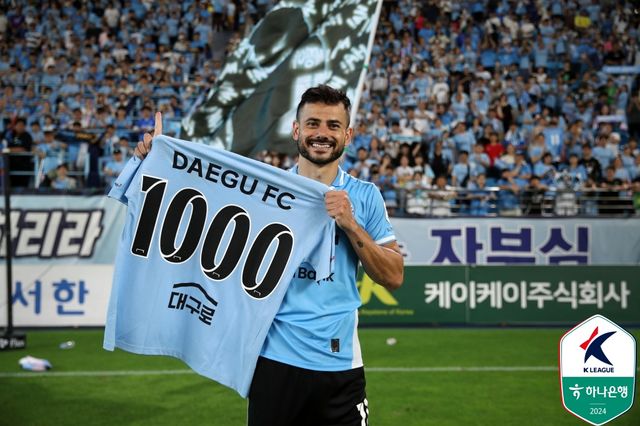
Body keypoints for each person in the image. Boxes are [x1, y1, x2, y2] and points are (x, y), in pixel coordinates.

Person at [135, 86, 404, 426]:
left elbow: (394, 276)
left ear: (347, 135)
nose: (322, 133)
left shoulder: (365, 196)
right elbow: (200, 206)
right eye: (313, 123)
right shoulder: (263, 191)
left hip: (340, 366)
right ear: (296, 130)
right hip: (273, 364)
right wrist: (159, 162)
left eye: (333, 125)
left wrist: (351, 226)